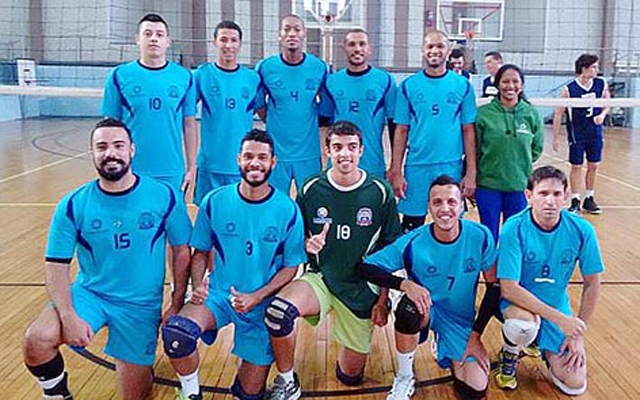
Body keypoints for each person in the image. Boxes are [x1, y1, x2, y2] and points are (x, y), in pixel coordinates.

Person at [22, 118, 193, 400]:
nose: (110, 153)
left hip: (140, 305)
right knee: (36, 339)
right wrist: (68, 316)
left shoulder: (164, 196)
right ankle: (57, 394)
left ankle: (142, 366)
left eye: (118, 145)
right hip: (91, 295)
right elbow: (55, 267)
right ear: (92, 153)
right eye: (101, 147)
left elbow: (181, 251)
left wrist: (176, 303)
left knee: (134, 395)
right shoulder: (73, 204)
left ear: (132, 150)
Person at [161, 129, 306, 400]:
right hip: (218, 296)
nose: (255, 163)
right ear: (238, 159)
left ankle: (251, 366)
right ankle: (191, 394)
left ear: (273, 162)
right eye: (249, 156)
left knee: (250, 394)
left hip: (260, 304)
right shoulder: (215, 201)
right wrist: (197, 287)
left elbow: (291, 267)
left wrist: (257, 296)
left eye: (262, 157)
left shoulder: (287, 209)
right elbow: (201, 251)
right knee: (176, 335)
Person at [264, 121, 402, 400]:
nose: (345, 154)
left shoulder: (380, 191)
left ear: (362, 151)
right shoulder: (312, 188)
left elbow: (391, 250)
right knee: (279, 312)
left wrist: (382, 300)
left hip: (363, 290)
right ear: (327, 151)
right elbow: (294, 239)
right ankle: (287, 381)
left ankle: (347, 345)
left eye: (352, 147)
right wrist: (306, 243)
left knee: (349, 377)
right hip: (321, 278)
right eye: (337, 147)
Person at [359, 175, 498, 400]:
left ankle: (446, 345)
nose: (445, 209)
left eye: (451, 202)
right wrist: (404, 284)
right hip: (425, 309)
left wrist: (476, 336)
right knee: (407, 310)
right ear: (429, 207)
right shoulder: (412, 242)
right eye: (437, 202)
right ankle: (405, 377)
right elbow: (365, 267)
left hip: (459, 319)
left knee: (475, 388)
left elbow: (494, 288)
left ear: (462, 205)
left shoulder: (480, 236)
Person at [494, 166, 604, 395]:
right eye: (543, 194)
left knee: (574, 384)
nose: (550, 201)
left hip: (556, 306)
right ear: (529, 196)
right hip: (520, 306)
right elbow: (509, 289)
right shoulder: (514, 228)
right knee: (522, 327)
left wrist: (577, 334)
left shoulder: (582, 229)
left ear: (565, 196)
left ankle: (542, 343)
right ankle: (510, 353)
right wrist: (562, 321)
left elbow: (592, 283)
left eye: (556, 194)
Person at [101, 13, 197, 198]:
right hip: (131, 169)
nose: (154, 38)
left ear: (168, 41)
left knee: (172, 224)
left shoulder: (184, 77)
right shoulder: (119, 76)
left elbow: (189, 125)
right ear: (138, 39)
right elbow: (109, 127)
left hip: (171, 170)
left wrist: (192, 167)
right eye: (148, 33)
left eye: (160, 35)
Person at [389, 30, 477, 232]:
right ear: (422, 51)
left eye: (440, 46)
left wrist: (471, 172)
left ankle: (452, 262)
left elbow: (468, 130)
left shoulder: (462, 86)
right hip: (417, 166)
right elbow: (401, 130)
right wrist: (396, 170)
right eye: (430, 46)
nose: (434, 50)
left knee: (451, 221)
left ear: (448, 51)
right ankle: (410, 264)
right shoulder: (408, 86)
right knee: (411, 225)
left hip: (450, 165)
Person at [255, 14, 330, 194]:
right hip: (277, 154)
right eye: (287, 29)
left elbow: (325, 111)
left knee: (311, 205)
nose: (292, 34)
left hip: (309, 154)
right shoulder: (265, 67)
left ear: (304, 34)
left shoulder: (319, 67)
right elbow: (260, 106)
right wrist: (277, 121)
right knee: (274, 203)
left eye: (297, 29)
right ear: (280, 35)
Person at [192, 20, 261, 205]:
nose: (228, 45)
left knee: (239, 214)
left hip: (240, 164)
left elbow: (265, 112)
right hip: (210, 164)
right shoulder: (201, 76)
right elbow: (186, 115)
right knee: (208, 214)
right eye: (223, 39)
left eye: (233, 40)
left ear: (240, 44)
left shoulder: (252, 79)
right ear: (214, 42)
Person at [475, 64, 544, 242]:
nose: (510, 86)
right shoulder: (483, 114)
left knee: (513, 236)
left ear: (521, 85)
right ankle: (490, 270)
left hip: (518, 185)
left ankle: (509, 270)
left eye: (515, 81)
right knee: (489, 237)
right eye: (505, 81)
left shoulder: (531, 114)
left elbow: (536, 148)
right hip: (488, 185)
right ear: (498, 84)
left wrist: (520, 163)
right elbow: (474, 149)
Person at [325, 28, 397, 178]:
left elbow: (394, 126)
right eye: (352, 44)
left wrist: (395, 165)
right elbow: (324, 124)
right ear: (344, 48)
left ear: (369, 49)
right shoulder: (332, 81)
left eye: (362, 44)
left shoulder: (385, 80)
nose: (357, 49)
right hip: (339, 165)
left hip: (373, 165)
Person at [552, 54, 610, 214]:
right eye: (594, 67)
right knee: (576, 166)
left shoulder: (600, 83)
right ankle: (575, 200)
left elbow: (608, 103)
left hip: (595, 132)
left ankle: (589, 198)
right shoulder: (569, 89)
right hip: (577, 133)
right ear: (584, 69)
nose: (597, 70)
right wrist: (556, 138)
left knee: (594, 165)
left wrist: (602, 115)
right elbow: (558, 113)